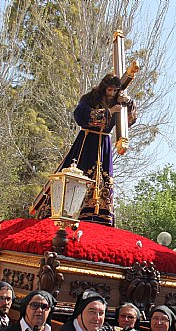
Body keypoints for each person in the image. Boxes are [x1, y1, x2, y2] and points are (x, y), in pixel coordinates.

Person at [58, 74, 137, 226]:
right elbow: (80, 115)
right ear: (103, 87)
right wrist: (109, 111)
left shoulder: (118, 100)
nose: (112, 93)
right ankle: (73, 210)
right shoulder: (90, 98)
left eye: (115, 90)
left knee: (104, 180)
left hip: (105, 144)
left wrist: (128, 104)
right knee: (82, 173)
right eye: (109, 89)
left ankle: (101, 215)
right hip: (87, 142)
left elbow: (129, 121)